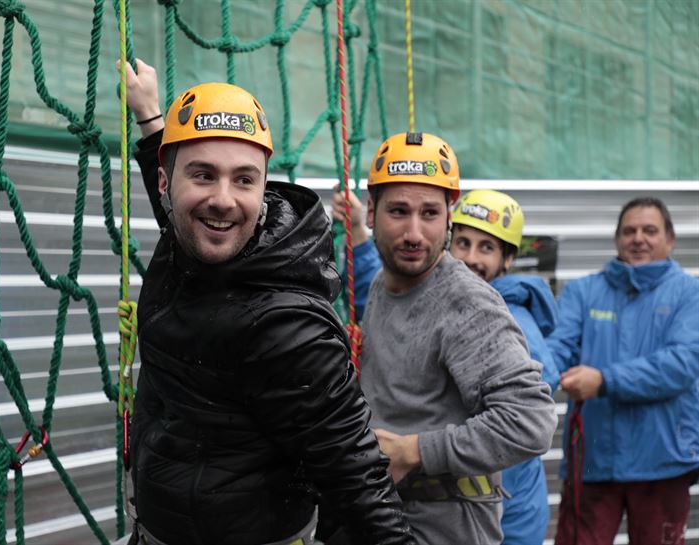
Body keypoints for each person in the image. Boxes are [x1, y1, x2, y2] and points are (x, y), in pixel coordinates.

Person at [118, 59, 414, 545]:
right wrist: (150, 116)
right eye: (203, 175)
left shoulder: (288, 326)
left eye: (243, 180)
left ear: (262, 188)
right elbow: (180, 212)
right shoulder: (192, 239)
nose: (223, 199)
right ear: (166, 182)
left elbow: (357, 478)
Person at [329, 131, 557, 545]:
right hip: (381, 515)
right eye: (399, 211)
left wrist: (414, 451)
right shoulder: (383, 284)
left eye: (430, 213)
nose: (414, 233)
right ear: (372, 213)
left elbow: (531, 420)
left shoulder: (466, 304)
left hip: (443, 530)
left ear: (448, 218)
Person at [548, 197, 699, 545]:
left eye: (650, 230)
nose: (638, 239)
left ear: (670, 239)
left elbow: (681, 364)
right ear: (617, 239)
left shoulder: (690, 294)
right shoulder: (583, 292)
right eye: (629, 231)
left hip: (663, 460)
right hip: (593, 458)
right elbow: (556, 349)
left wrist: (604, 381)